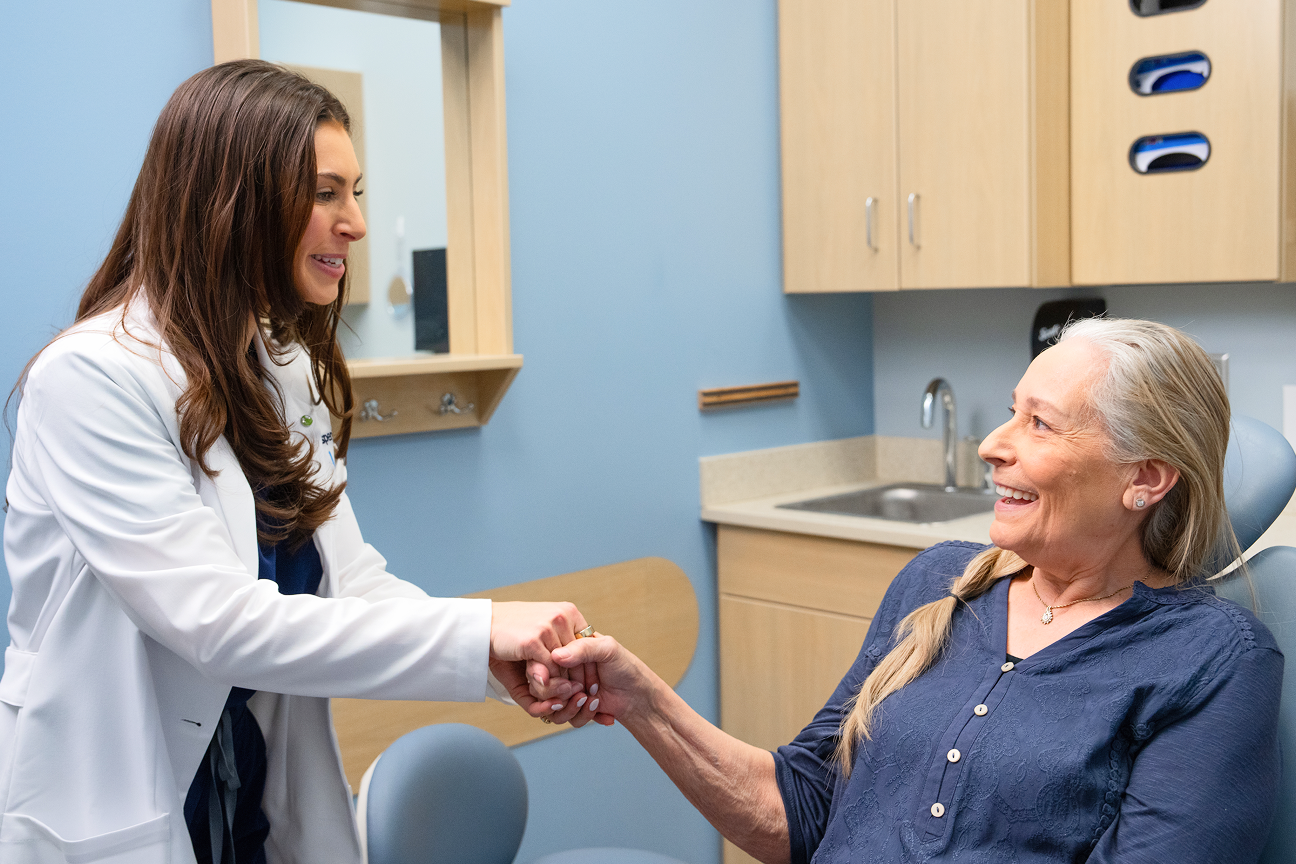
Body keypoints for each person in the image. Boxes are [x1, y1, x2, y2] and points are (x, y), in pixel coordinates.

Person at [0, 60, 597, 864]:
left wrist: (499, 658)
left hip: (248, 786)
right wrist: (478, 629)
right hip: (119, 804)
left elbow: (354, 583)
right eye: (325, 193)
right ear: (231, 199)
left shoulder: (277, 369)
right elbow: (219, 624)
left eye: (356, 192)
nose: (352, 221)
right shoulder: (91, 379)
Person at [555, 318, 1284, 863]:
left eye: (1040, 424)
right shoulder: (939, 582)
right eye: (1011, 411)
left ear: (1144, 479)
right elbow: (803, 810)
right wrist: (640, 699)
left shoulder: (1213, 657)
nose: (994, 444)